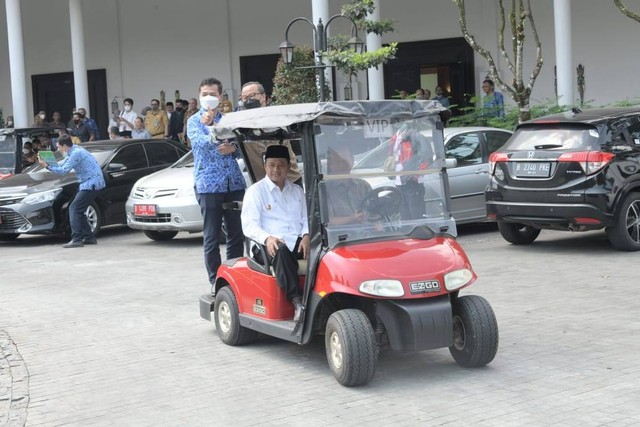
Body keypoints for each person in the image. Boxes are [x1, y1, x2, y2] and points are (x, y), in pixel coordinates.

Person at [187, 77, 245, 290]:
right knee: (211, 236)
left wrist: (234, 149)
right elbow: (200, 145)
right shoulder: (193, 121)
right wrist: (211, 128)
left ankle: (235, 276)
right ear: (199, 96)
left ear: (220, 96)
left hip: (233, 182)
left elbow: (242, 142)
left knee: (236, 233)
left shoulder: (229, 119)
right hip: (209, 184)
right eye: (205, 94)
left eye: (213, 94)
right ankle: (215, 280)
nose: (209, 98)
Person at [241, 144, 309, 321]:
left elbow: (306, 218)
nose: (276, 170)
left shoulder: (297, 191)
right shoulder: (255, 192)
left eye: (280, 165)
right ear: (265, 166)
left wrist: (307, 235)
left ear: (288, 167)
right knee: (280, 249)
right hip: (266, 245)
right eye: (271, 165)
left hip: (296, 241)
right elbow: (249, 225)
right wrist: (267, 237)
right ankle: (297, 302)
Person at [37, 134, 105, 248]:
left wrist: (47, 166)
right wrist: (47, 162)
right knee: (78, 209)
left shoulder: (76, 153)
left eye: (58, 147)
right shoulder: (74, 151)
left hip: (91, 183)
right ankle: (89, 237)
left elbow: (63, 171)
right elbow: (61, 164)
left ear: (64, 146)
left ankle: (77, 239)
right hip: (89, 183)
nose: (58, 149)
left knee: (74, 208)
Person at [239, 81, 302, 186]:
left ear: (263, 97)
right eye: (244, 98)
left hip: (289, 179)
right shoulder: (240, 123)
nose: (248, 100)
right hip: (261, 182)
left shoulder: (279, 116)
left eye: (252, 95)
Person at [325, 144, 371, 225]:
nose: (341, 165)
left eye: (344, 160)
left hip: (370, 233)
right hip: (342, 235)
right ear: (330, 165)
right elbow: (328, 221)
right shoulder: (325, 190)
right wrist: (352, 219)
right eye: (336, 162)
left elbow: (375, 210)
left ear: (352, 161)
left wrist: (377, 224)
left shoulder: (363, 185)